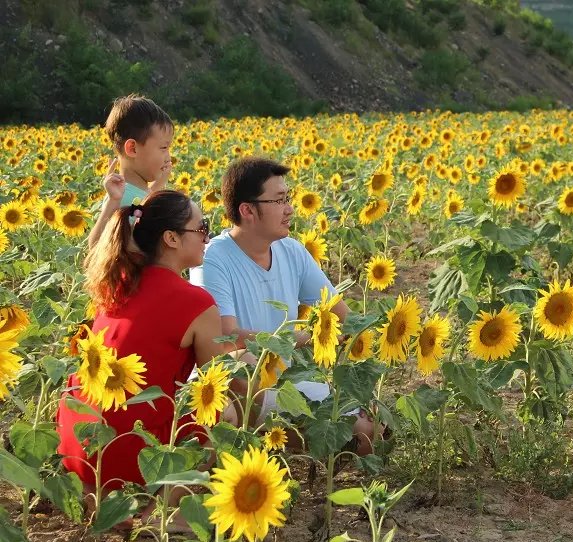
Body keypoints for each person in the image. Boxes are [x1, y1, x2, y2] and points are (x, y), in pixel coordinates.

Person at [190, 157, 377, 454]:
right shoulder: (213, 259)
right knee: (242, 364)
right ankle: (249, 450)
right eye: (278, 200)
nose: (289, 208)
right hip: (240, 389)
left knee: (367, 432)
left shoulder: (291, 251)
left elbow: (341, 315)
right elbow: (225, 336)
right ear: (247, 210)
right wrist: (300, 339)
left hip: (288, 381)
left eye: (287, 198)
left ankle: (281, 447)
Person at [58, 188, 224, 493]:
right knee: (227, 408)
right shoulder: (196, 302)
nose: (207, 238)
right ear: (171, 238)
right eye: (202, 228)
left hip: (80, 447)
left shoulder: (116, 285)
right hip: (130, 453)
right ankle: (160, 508)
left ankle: (99, 495)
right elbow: (219, 384)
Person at [88, 94, 174, 249]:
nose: (168, 157)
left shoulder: (134, 195)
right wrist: (112, 203)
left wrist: (158, 184)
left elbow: (140, 206)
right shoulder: (122, 198)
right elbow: (97, 246)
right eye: (163, 148)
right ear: (132, 148)